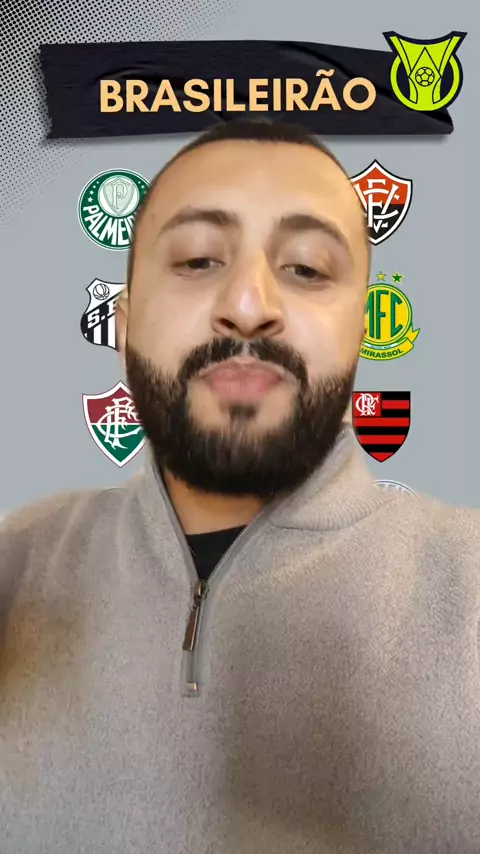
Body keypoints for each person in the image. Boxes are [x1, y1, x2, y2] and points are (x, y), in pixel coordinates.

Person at [0, 119, 479, 854]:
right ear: (122, 326)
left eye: (308, 269)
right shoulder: (19, 564)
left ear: (361, 330)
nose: (250, 306)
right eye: (197, 259)